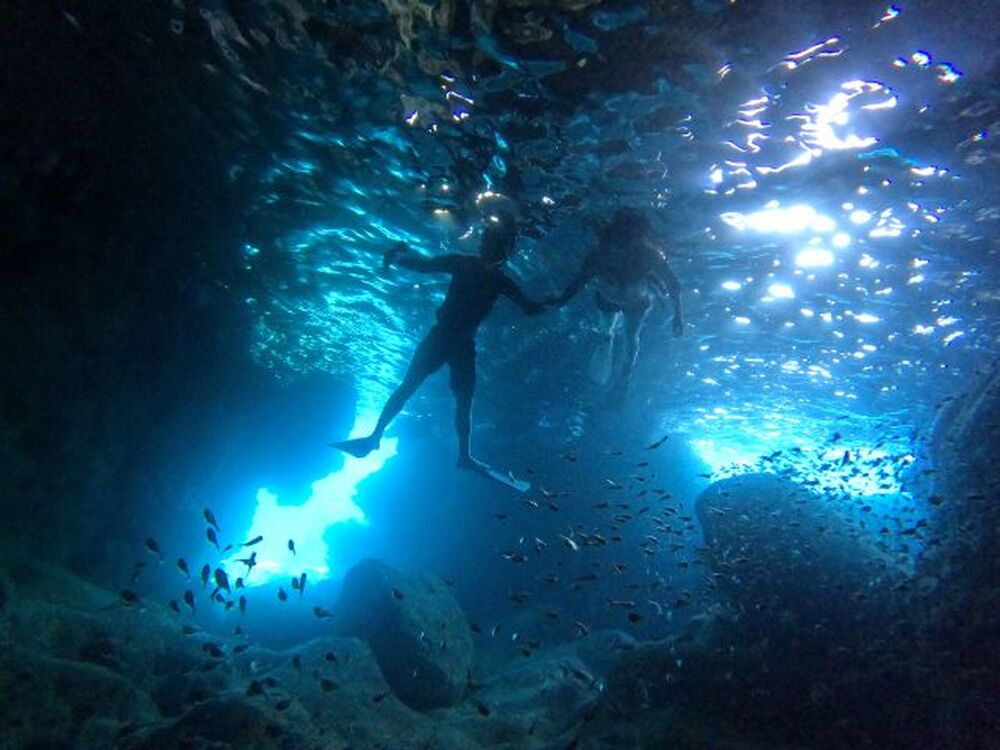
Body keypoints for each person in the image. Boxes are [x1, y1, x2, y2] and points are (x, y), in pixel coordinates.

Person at [333, 206, 545, 472]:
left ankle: (382, 437)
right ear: (503, 251)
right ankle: (457, 455)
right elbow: (529, 307)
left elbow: (423, 266)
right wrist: (549, 302)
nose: (485, 246)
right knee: (451, 397)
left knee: (428, 391)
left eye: (488, 242)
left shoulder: (474, 269)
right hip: (453, 340)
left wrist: (397, 256)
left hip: (451, 340)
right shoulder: (491, 277)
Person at [547, 207, 684, 399]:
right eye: (622, 236)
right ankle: (610, 344)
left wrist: (678, 316)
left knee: (630, 336)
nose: (625, 242)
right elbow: (580, 280)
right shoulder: (602, 254)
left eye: (630, 237)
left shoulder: (647, 254)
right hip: (619, 297)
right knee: (618, 333)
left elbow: (673, 284)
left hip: (632, 300)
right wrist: (562, 299)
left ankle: (624, 377)